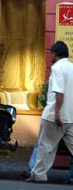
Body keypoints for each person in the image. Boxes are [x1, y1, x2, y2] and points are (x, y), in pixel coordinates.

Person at [27, 41, 73, 183]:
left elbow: (59, 92)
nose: (50, 56)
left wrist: (57, 112)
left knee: (45, 146)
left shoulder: (57, 68)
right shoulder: (71, 67)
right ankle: (38, 174)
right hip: (70, 116)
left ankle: (39, 175)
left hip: (54, 116)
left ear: (55, 53)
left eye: (51, 53)